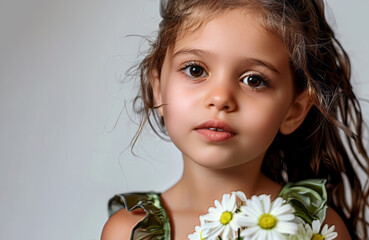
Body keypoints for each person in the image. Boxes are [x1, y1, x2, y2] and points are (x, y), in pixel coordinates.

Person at [101, 0, 369, 239]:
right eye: (195, 70)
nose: (220, 98)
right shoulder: (129, 232)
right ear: (158, 87)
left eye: (254, 80)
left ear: (294, 110)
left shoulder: (315, 229)